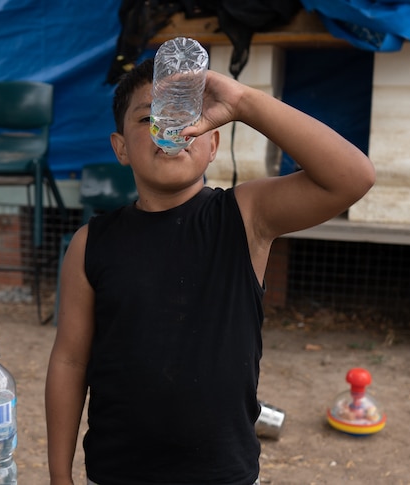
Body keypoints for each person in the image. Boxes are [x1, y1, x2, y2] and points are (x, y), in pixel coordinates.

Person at [45, 58, 375, 485]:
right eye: (150, 117)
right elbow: (70, 361)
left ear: (213, 144)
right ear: (121, 147)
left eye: (186, 115)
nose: (171, 129)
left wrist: (244, 101)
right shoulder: (91, 243)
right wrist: (59, 476)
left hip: (224, 476)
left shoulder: (246, 216)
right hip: (114, 474)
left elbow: (353, 178)